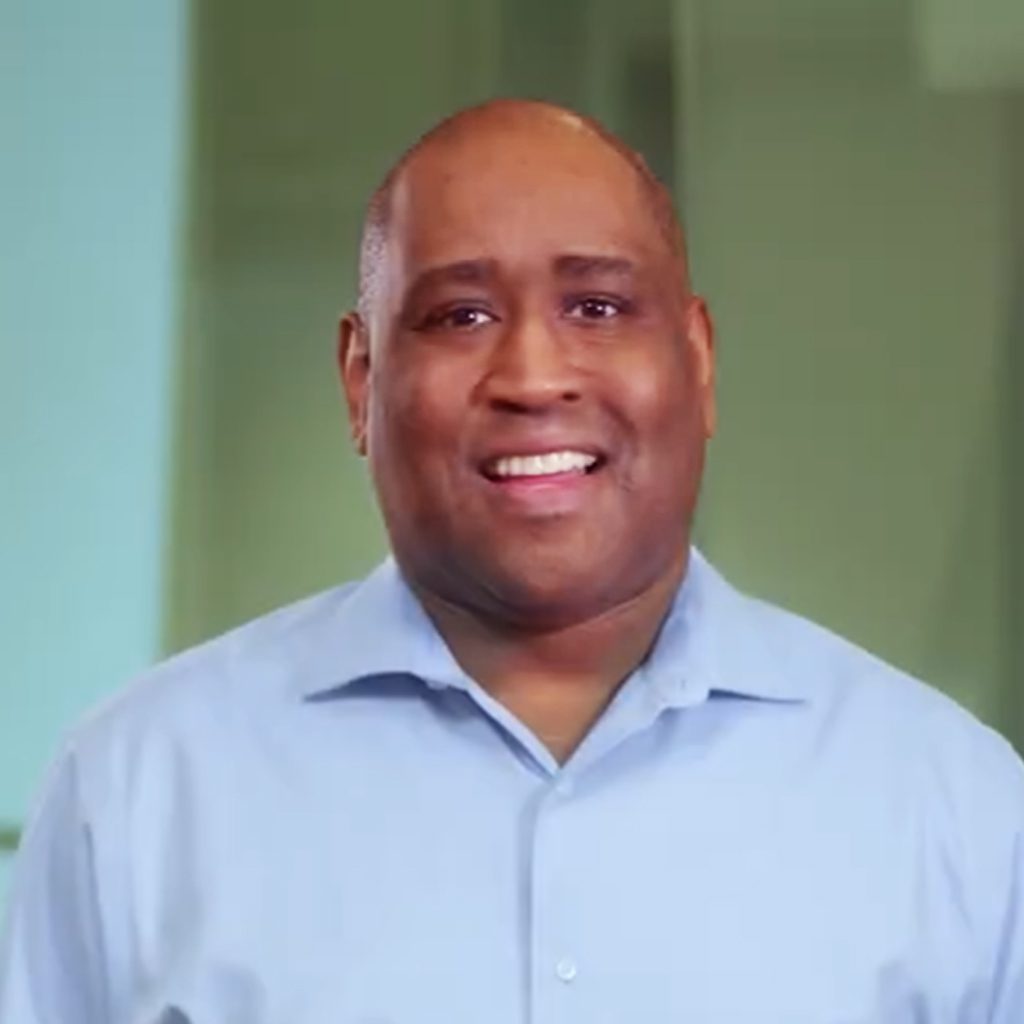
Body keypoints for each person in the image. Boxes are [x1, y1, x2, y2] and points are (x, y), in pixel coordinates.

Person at [1, 98, 1022, 1023]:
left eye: (597, 307)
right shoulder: (136, 793)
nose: (533, 376)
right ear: (361, 380)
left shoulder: (952, 805)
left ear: (698, 362)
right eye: (461, 316)